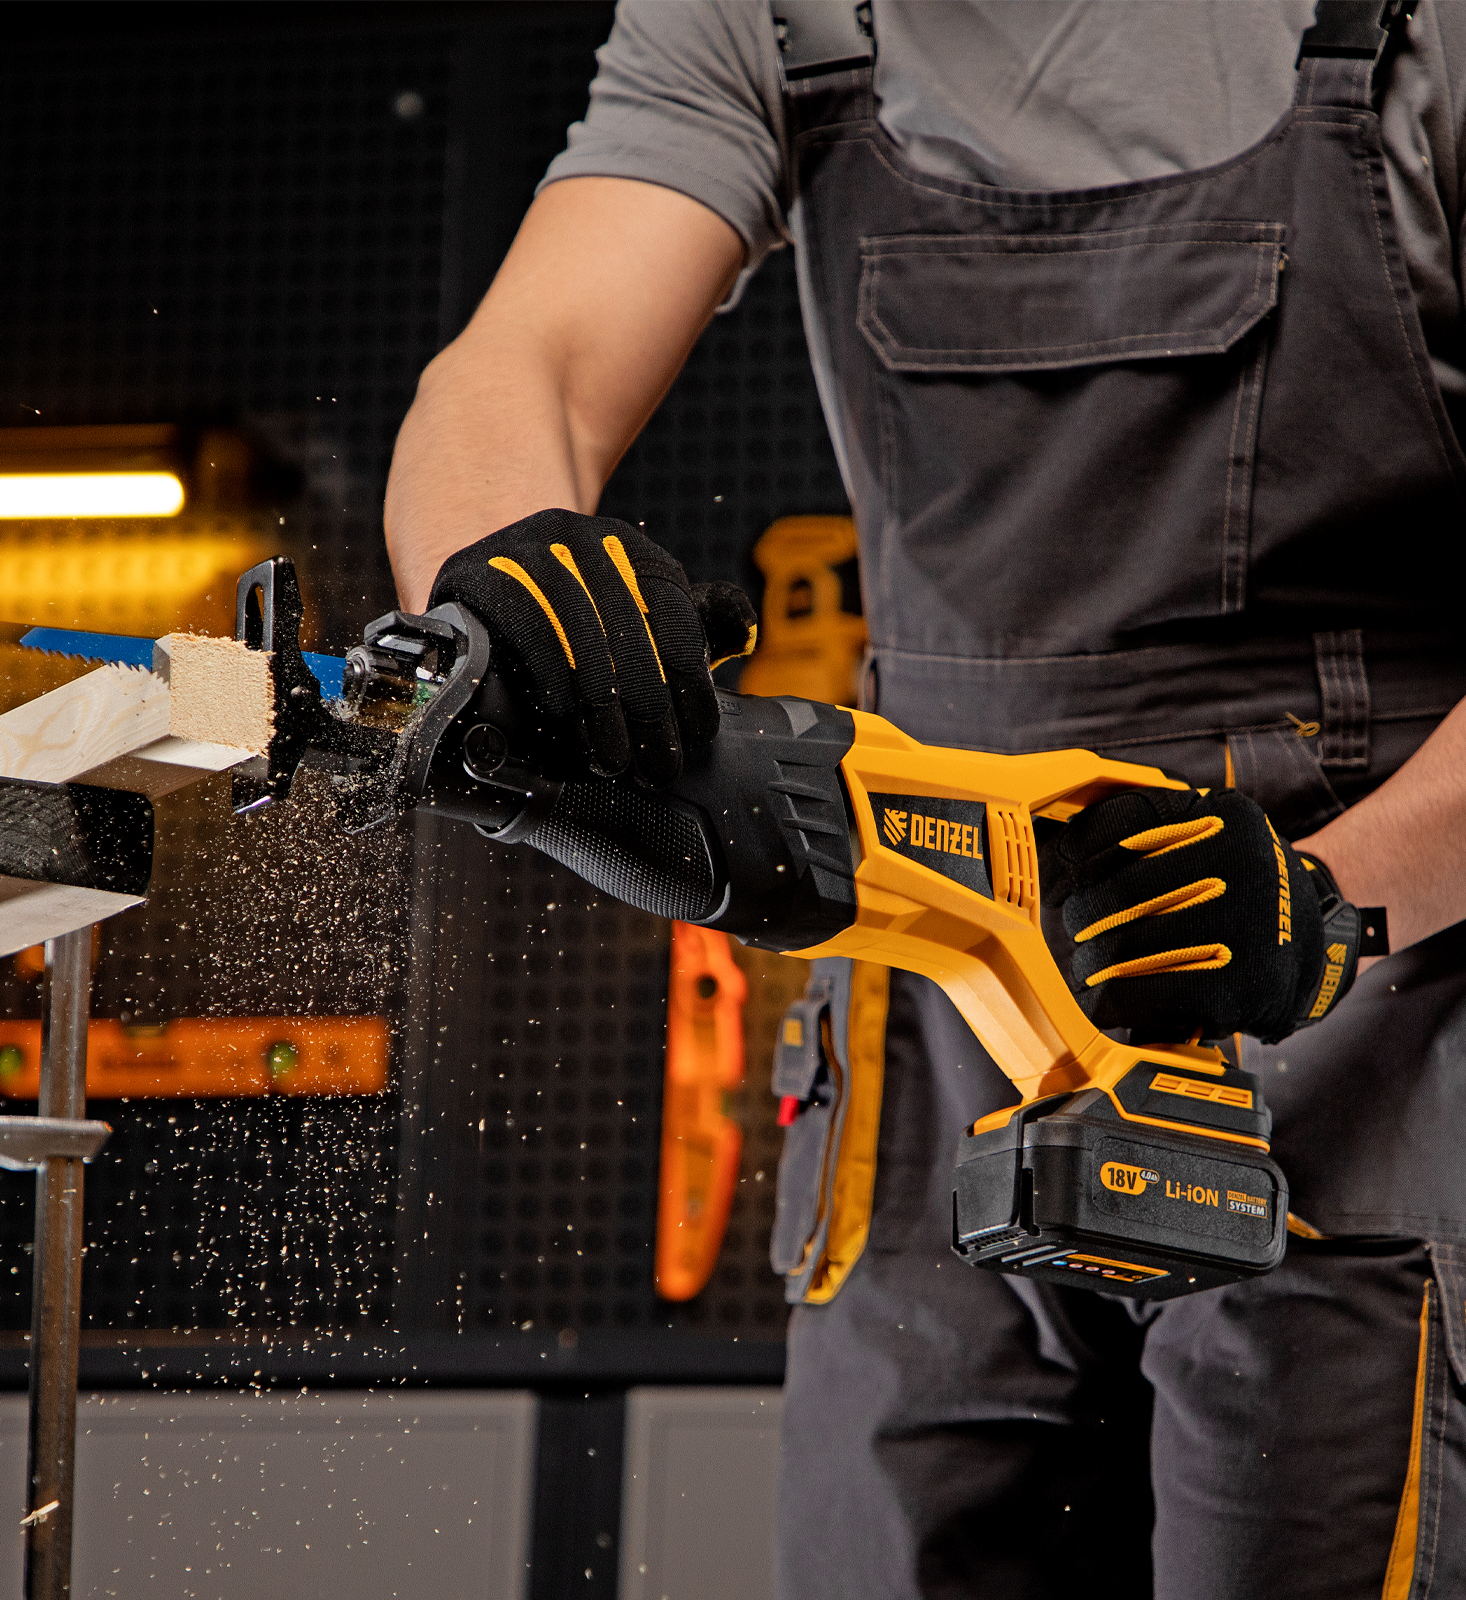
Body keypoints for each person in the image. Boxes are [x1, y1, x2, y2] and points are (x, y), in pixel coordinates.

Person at [384, 3, 1466, 1594]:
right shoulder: (773, 11)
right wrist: (507, 565)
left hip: (1356, 980)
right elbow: (522, 362)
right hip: (934, 992)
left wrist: (1334, 900)